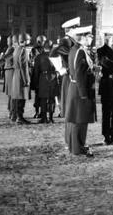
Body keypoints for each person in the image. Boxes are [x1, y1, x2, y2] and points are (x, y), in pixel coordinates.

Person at [65, 26, 96, 157]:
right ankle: (78, 147)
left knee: (76, 119)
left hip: (75, 87)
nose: (91, 39)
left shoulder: (75, 49)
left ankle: (75, 146)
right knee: (79, 120)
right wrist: (84, 93)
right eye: (89, 36)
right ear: (82, 37)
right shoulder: (80, 51)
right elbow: (80, 74)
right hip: (80, 89)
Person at [51, 17, 80, 148]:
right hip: (69, 78)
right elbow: (53, 53)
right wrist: (62, 69)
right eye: (76, 28)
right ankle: (70, 140)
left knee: (73, 110)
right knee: (71, 110)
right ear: (71, 29)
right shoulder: (66, 41)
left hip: (71, 77)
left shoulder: (71, 40)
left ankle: (73, 139)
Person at [97, 32, 113, 145]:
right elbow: (105, 63)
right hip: (106, 83)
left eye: (111, 38)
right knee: (106, 111)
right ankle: (107, 135)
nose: (109, 40)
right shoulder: (100, 50)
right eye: (106, 38)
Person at [32, 41, 60, 124]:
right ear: (51, 47)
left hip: (43, 78)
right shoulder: (56, 56)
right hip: (53, 77)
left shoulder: (39, 57)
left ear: (44, 47)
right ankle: (51, 117)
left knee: (43, 99)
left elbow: (36, 71)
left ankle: (44, 117)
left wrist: (35, 83)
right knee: (52, 98)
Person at [11, 33, 32, 125]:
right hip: (21, 75)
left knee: (17, 97)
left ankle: (17, 116)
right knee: (21, 98)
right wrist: (26, 79)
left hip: (16, 75)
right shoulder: (23, 50)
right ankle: (20, 117)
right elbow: (24, 66)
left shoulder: (16, 49)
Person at [31, 35, 47, 119]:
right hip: (37, 74)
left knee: (43, 94)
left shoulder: (44, 49)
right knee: (37, 94)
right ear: (39, 41)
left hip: (43, 74)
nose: (44, 42)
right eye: (43, 41)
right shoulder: (34, 50)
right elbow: (34, 60)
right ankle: (37, 111)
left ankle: (42, 112)